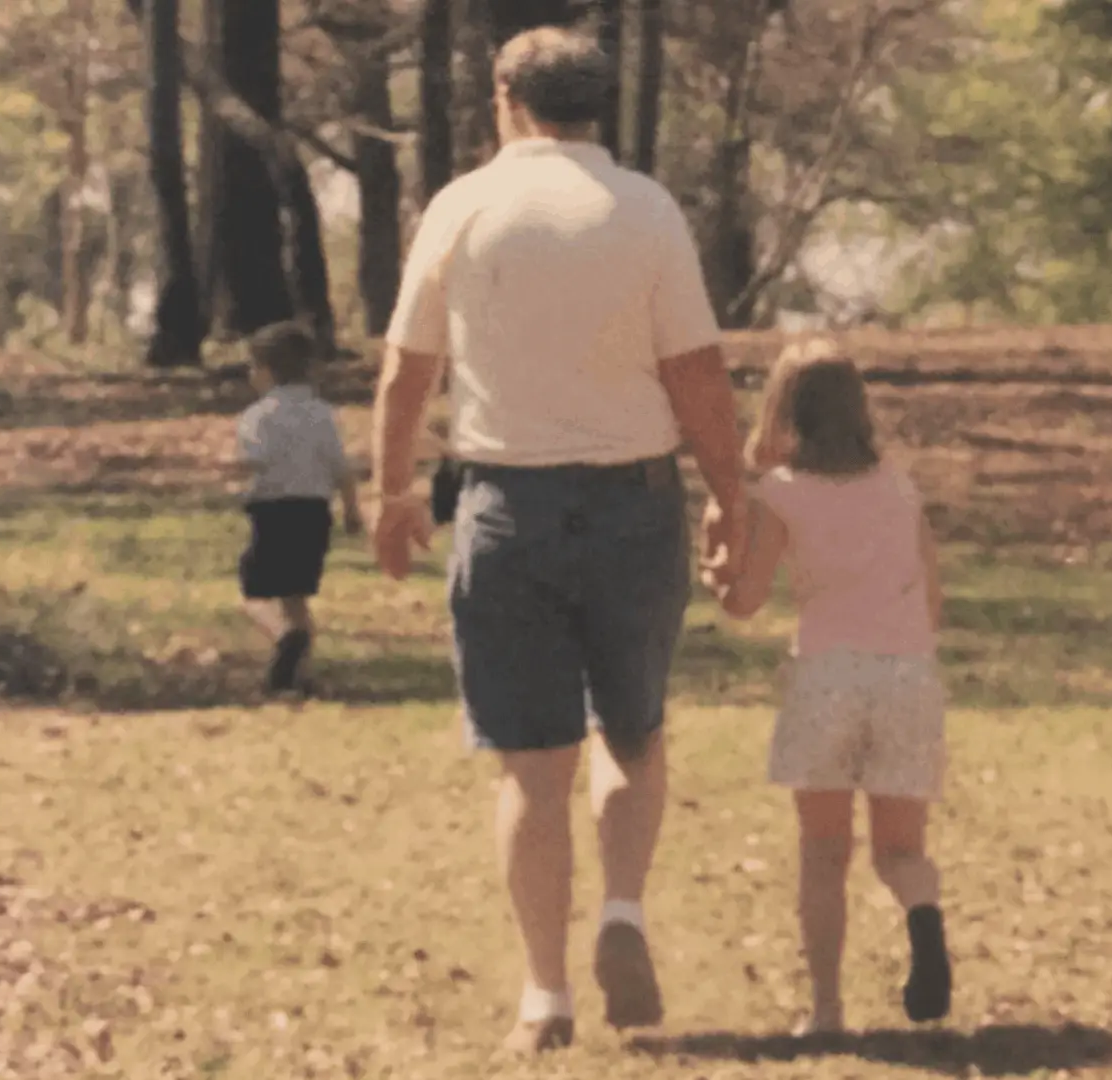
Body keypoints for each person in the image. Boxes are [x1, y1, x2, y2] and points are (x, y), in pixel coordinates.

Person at [368, 26, 749, 1055]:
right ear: (597, 104)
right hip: (631, 500)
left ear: (505, 99)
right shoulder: (643, 210)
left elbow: (407, 371)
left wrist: (392, 491)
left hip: (505, 505)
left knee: (530, 767)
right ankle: (622, 910)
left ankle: (544, 996)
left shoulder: (464, 208)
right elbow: (698, 374)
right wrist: (733, 495)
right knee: (631, 730)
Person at [702, 339, 954, 1035]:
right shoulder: (900, 487)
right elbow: (932, 597)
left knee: (822, 852)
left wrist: (715, 571)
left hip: (828, 676)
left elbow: (747, 599)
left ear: (783, 411)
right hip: (907, 674)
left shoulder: (779, 496)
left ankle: (826, 1009)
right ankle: (922, 914)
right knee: (901, 851)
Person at [233, 321, 364, 695]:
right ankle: (299, 676)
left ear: (267, 371)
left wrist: (229, 471)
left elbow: (254, 460)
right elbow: (341, 467)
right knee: (297, 597)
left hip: (272, 512)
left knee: (254, 596)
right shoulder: (322, 413)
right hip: (313, 512)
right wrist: (352, 510)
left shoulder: (258, 416)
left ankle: (284, 637)